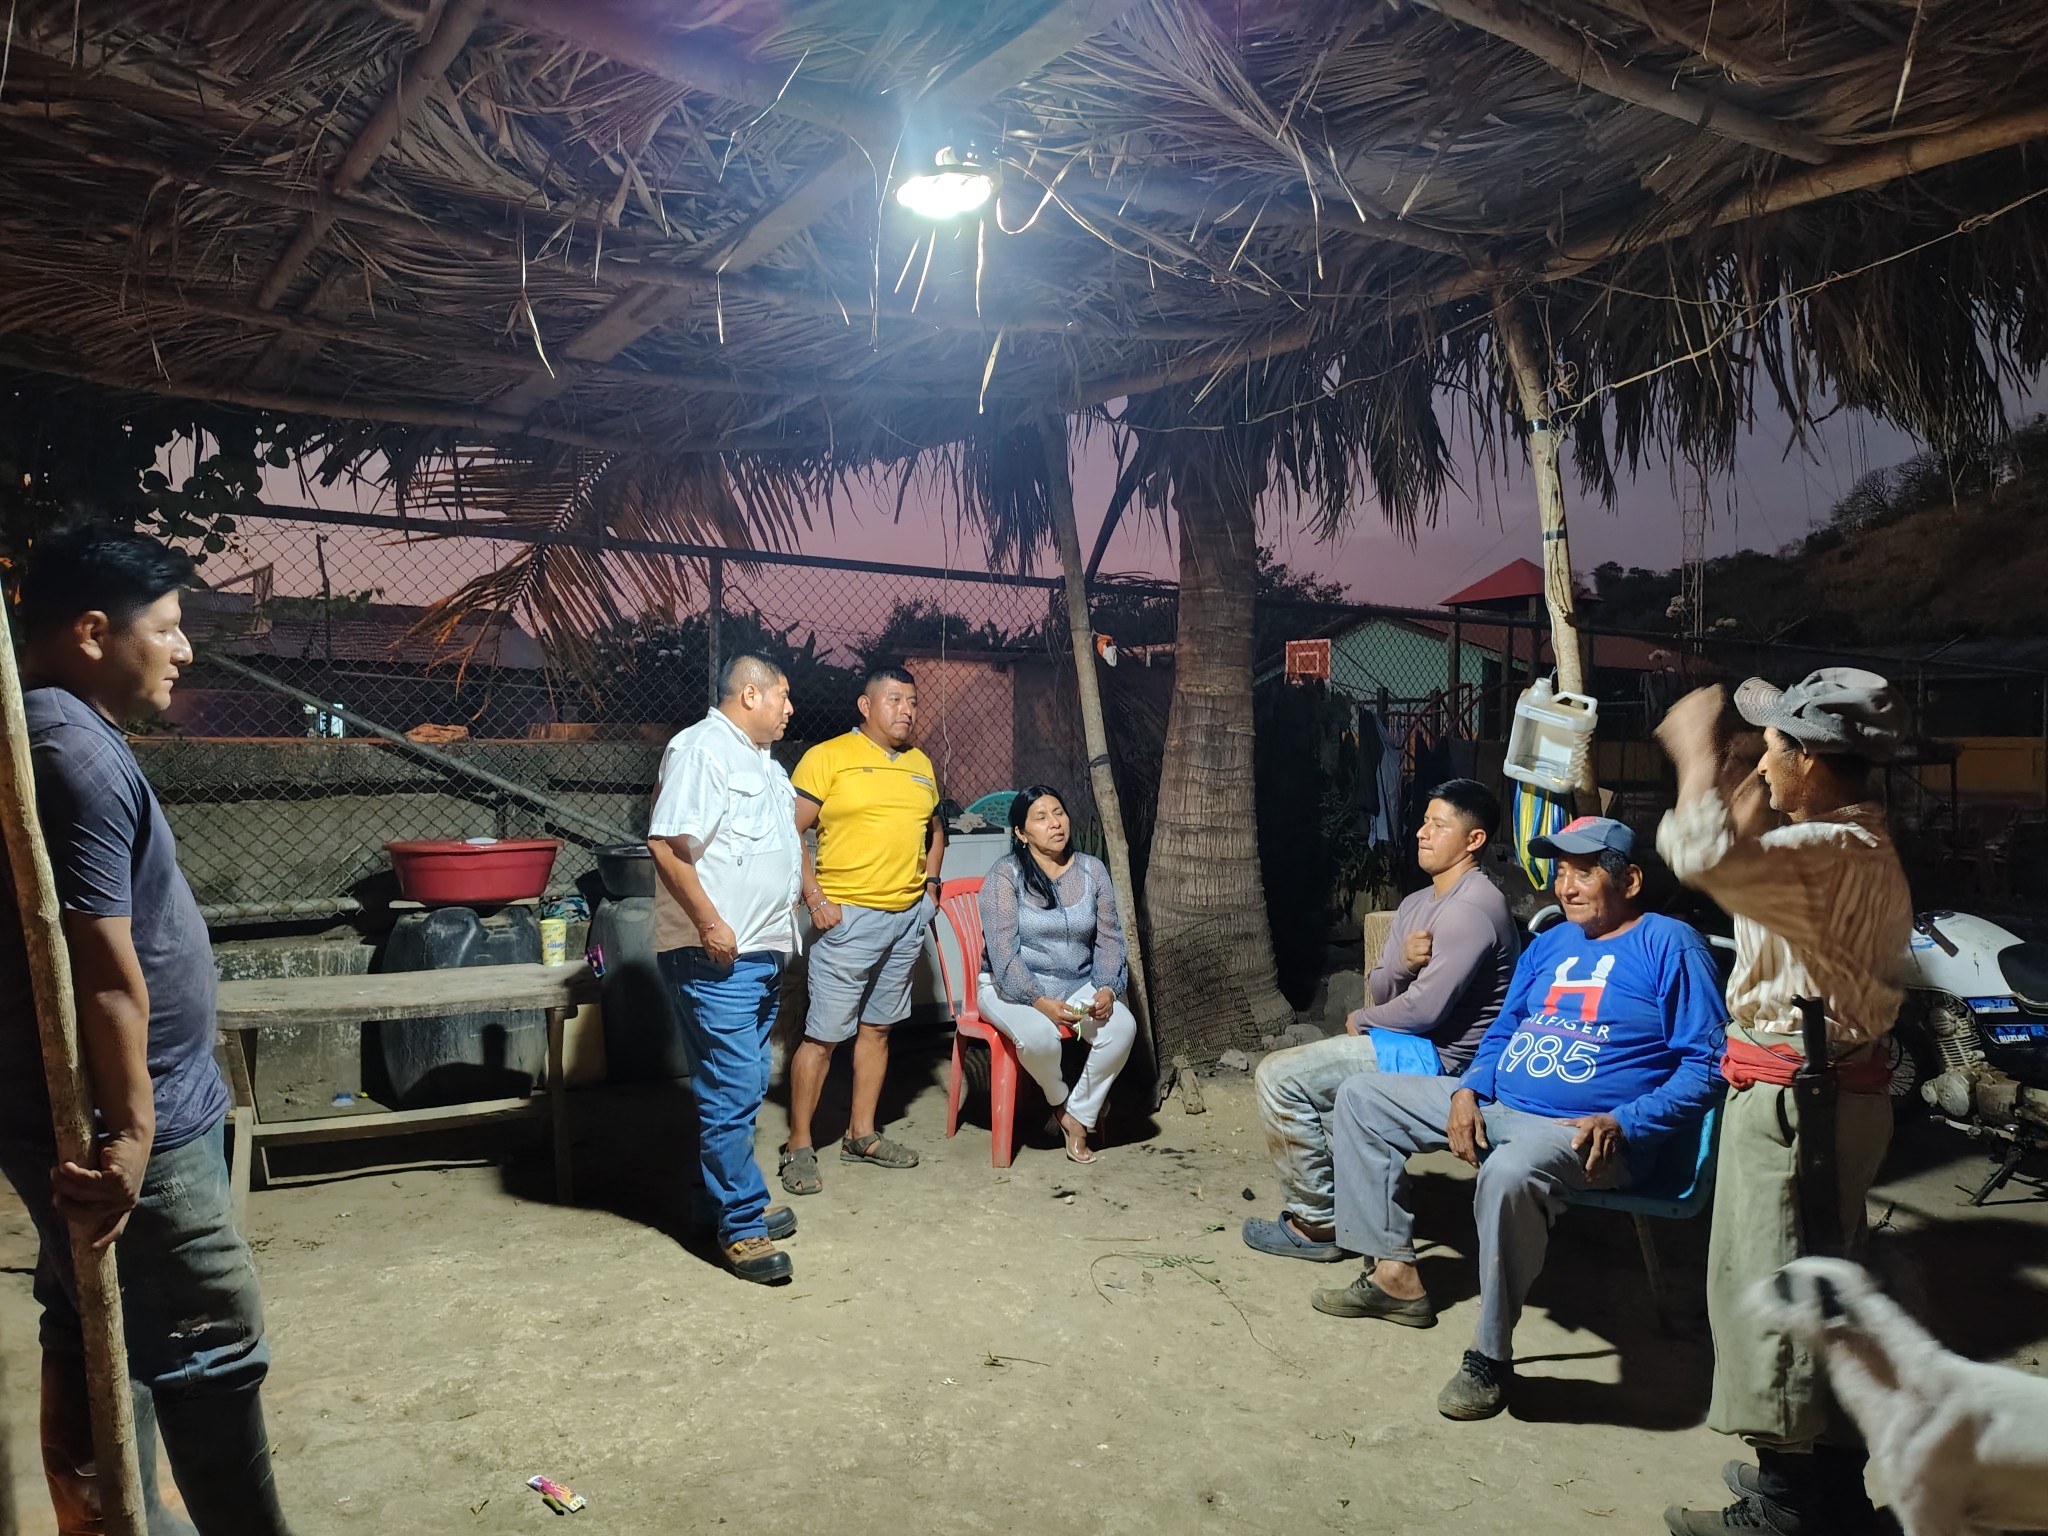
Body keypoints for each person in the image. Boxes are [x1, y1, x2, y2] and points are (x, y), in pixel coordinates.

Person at [0, 527, 293, 1534]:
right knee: (209, 1341)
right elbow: (100, 970)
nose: (184, 649)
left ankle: (108, 1519)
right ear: (93, 632)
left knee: (93, 1315)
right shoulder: (71, 751)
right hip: (140, 1120)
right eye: (166, 628)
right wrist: (129, 1131)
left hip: (135, 1101)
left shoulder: (52, 732)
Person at [1320, 817, 1725, 1421]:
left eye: (1584, 872)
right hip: (1499, 1104)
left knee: (1508, 1171)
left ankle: (1490, 1356)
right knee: (1361, 1098)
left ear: (1631, 880)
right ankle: (1393, 1277)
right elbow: (1503, 1031)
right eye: (1560, 872)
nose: (1566, 886)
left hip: (1584, 1134)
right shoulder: (1551, 943)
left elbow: (1708, 1066)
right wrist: (1468, 1090)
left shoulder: (1670, 945)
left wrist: (1625, 1121)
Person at [1655, 672, 1914, 1536]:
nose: (1762, 761)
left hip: (1800, 1108)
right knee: (1826, 1286)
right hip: (1823, 1096)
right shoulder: (1849, 840)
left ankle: (1787, 1506)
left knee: (1771, 1293)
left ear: (1812, 757)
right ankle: (1830, 1490)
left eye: (1773, 748)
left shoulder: (1827, 852)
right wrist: (1742, 786)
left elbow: (1700, 857)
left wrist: (1694, 753)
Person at [1244, 779, 1519, 1261]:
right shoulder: (1417, 904)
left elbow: (1424, 1011)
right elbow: (1383, 987)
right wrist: (1403, 966)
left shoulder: (1473, 908)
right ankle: (1359, 1208)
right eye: (1424, 822)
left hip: (1446, 1063)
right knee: (1309, 1086)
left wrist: (1365, 1019)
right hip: (1408, 1044)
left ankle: (1317, 1223)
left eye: (1439, 825)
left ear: (1474, 840)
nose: (1422, 833)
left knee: (1279, 1077)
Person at [647, 653, 806, 1285]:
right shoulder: (701, 750)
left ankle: (713, 1203)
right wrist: (711, 923)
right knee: (735, 1089)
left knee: (737, 1085)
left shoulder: (764, 762)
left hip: (759, 954)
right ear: (749, 694)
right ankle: (741, 1226)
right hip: (716, 954)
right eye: (782, 696)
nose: (790, 708)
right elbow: (666, 844)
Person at [779, 666, 945, 1194]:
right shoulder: (828, 757)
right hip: (847, 920)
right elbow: (788, 832)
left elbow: (935, 830)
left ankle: (862, 1135)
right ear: (865, 705)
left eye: (912, 701)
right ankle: (798, 1146)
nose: (907, 711)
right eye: (894, 699)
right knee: (823, 1037)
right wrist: (815, 898)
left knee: (878, 1030)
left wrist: (931, 887)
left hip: (906, 920)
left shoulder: (921, 765)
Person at [974, 785, 1137, 1162]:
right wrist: (1039, 1001)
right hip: (1008, 987)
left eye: (1059, 812)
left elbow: (1110, 938)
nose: (1055, 823)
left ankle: (1078, 1115)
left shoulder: (1092, 870)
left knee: (1121, 1028)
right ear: (1021, 832)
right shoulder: (1005, 875)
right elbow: (1003, 954)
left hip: (1076, 983)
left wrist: (1107, 989)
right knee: (1040, 1038)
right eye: (1041, 817)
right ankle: (1061, 1105)